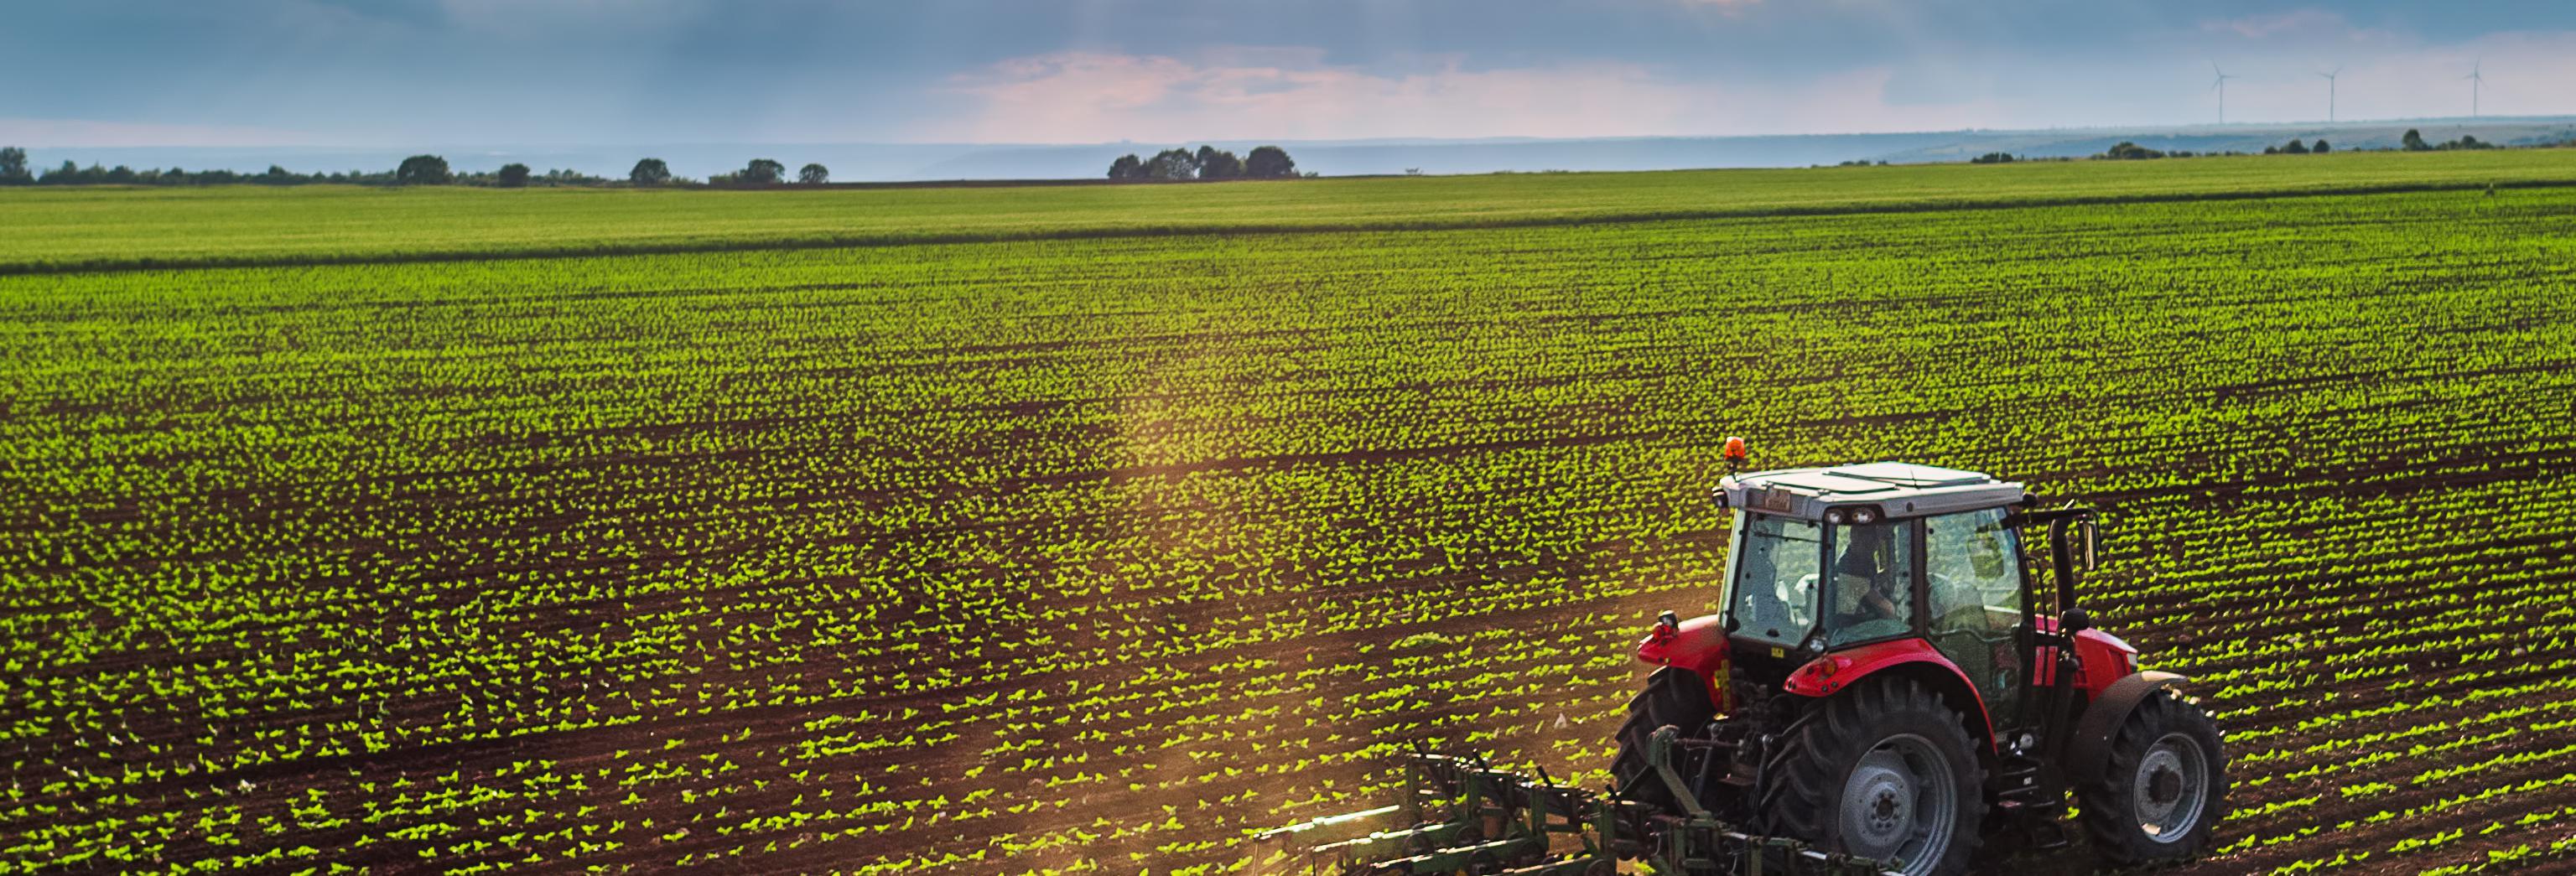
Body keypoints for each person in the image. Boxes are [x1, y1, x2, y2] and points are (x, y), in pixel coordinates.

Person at [1831, 526, 1905, 625]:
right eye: (1869, 543)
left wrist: (1883, 577)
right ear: (1855, 538)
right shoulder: (1849, 565)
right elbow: (1880, 602)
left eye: (1876, 542)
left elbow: (1868, 585)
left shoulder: (1865, 560)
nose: (1874, 547)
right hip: (1853, 624)